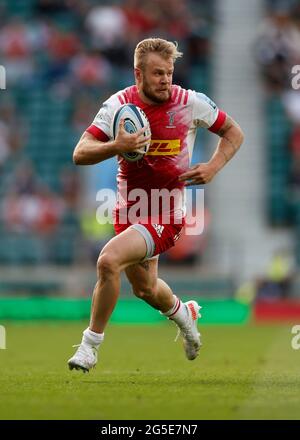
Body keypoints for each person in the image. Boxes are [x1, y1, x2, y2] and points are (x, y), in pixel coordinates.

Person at [68, 38, 244, 372]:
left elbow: (234, 133)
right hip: (128, 210)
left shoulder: (190, 103)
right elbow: (80, 152)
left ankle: (89, 346)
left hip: (167, 212)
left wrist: (212, 166)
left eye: (169, 72)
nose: (166, 80)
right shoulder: (118, 106)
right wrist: (117, 145)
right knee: (146, 289)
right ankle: (185, 315)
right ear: (138, 74)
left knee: (108, 262)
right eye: (158, 73)